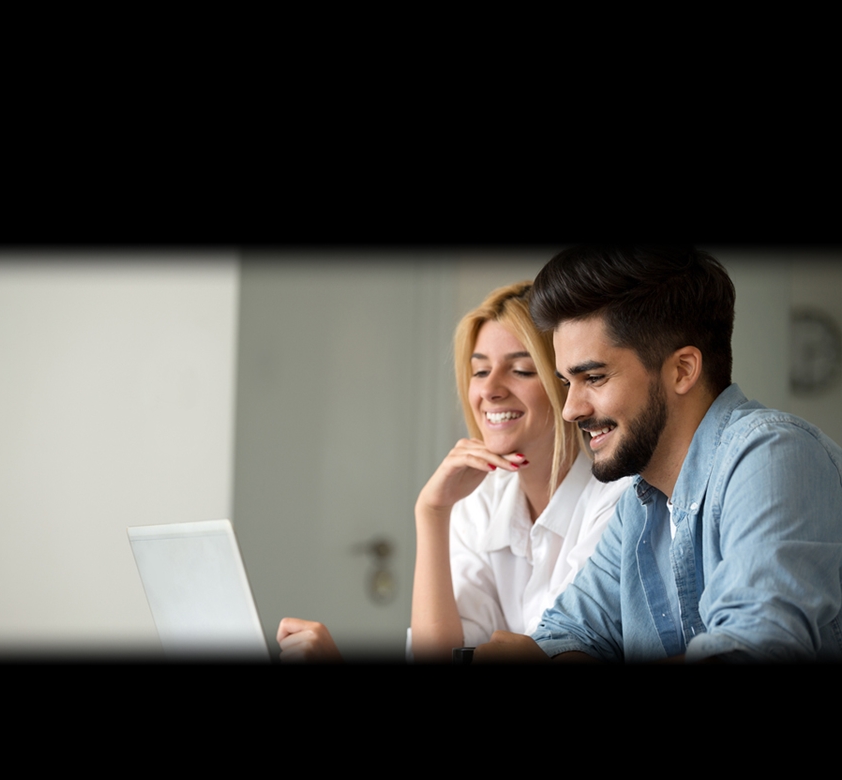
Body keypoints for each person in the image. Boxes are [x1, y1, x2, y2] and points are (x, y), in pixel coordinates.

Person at [467, 246, 842, 663]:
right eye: (566, 382)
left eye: (593, 377)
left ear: (682, 370)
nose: (571, 408)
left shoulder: (772, 457)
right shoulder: (641, 502)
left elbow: (752, 649)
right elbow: (565, 634)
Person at [277, 281, 626, 662]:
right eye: (480, 371)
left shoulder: (616, 501)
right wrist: (432, 512)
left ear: (563, 384)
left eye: (521, 370)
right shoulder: (479, 502)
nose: (490, 390)